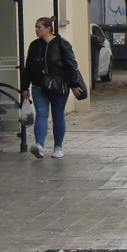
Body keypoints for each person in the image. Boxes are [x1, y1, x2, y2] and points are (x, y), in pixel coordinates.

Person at [21, 17, 84, 158]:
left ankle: (58, 147)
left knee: (58, 115)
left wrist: (74, 85)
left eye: (39, 27)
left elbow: (71, 65)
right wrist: (25, 87)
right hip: (39, 86)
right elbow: (28, 68)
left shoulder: (61, 44)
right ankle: (39, 145)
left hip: (59, 86)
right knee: (41, 114)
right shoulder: (35, 46)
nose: (36, 30)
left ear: (48, 29)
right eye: (36, 27)